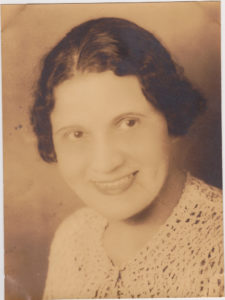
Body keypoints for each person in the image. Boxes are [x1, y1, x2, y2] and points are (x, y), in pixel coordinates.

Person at [31, 17, 224, 298]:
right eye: (76, 134)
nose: (105, 163)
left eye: (128, 123)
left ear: (170, 115)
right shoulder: (71, 238)